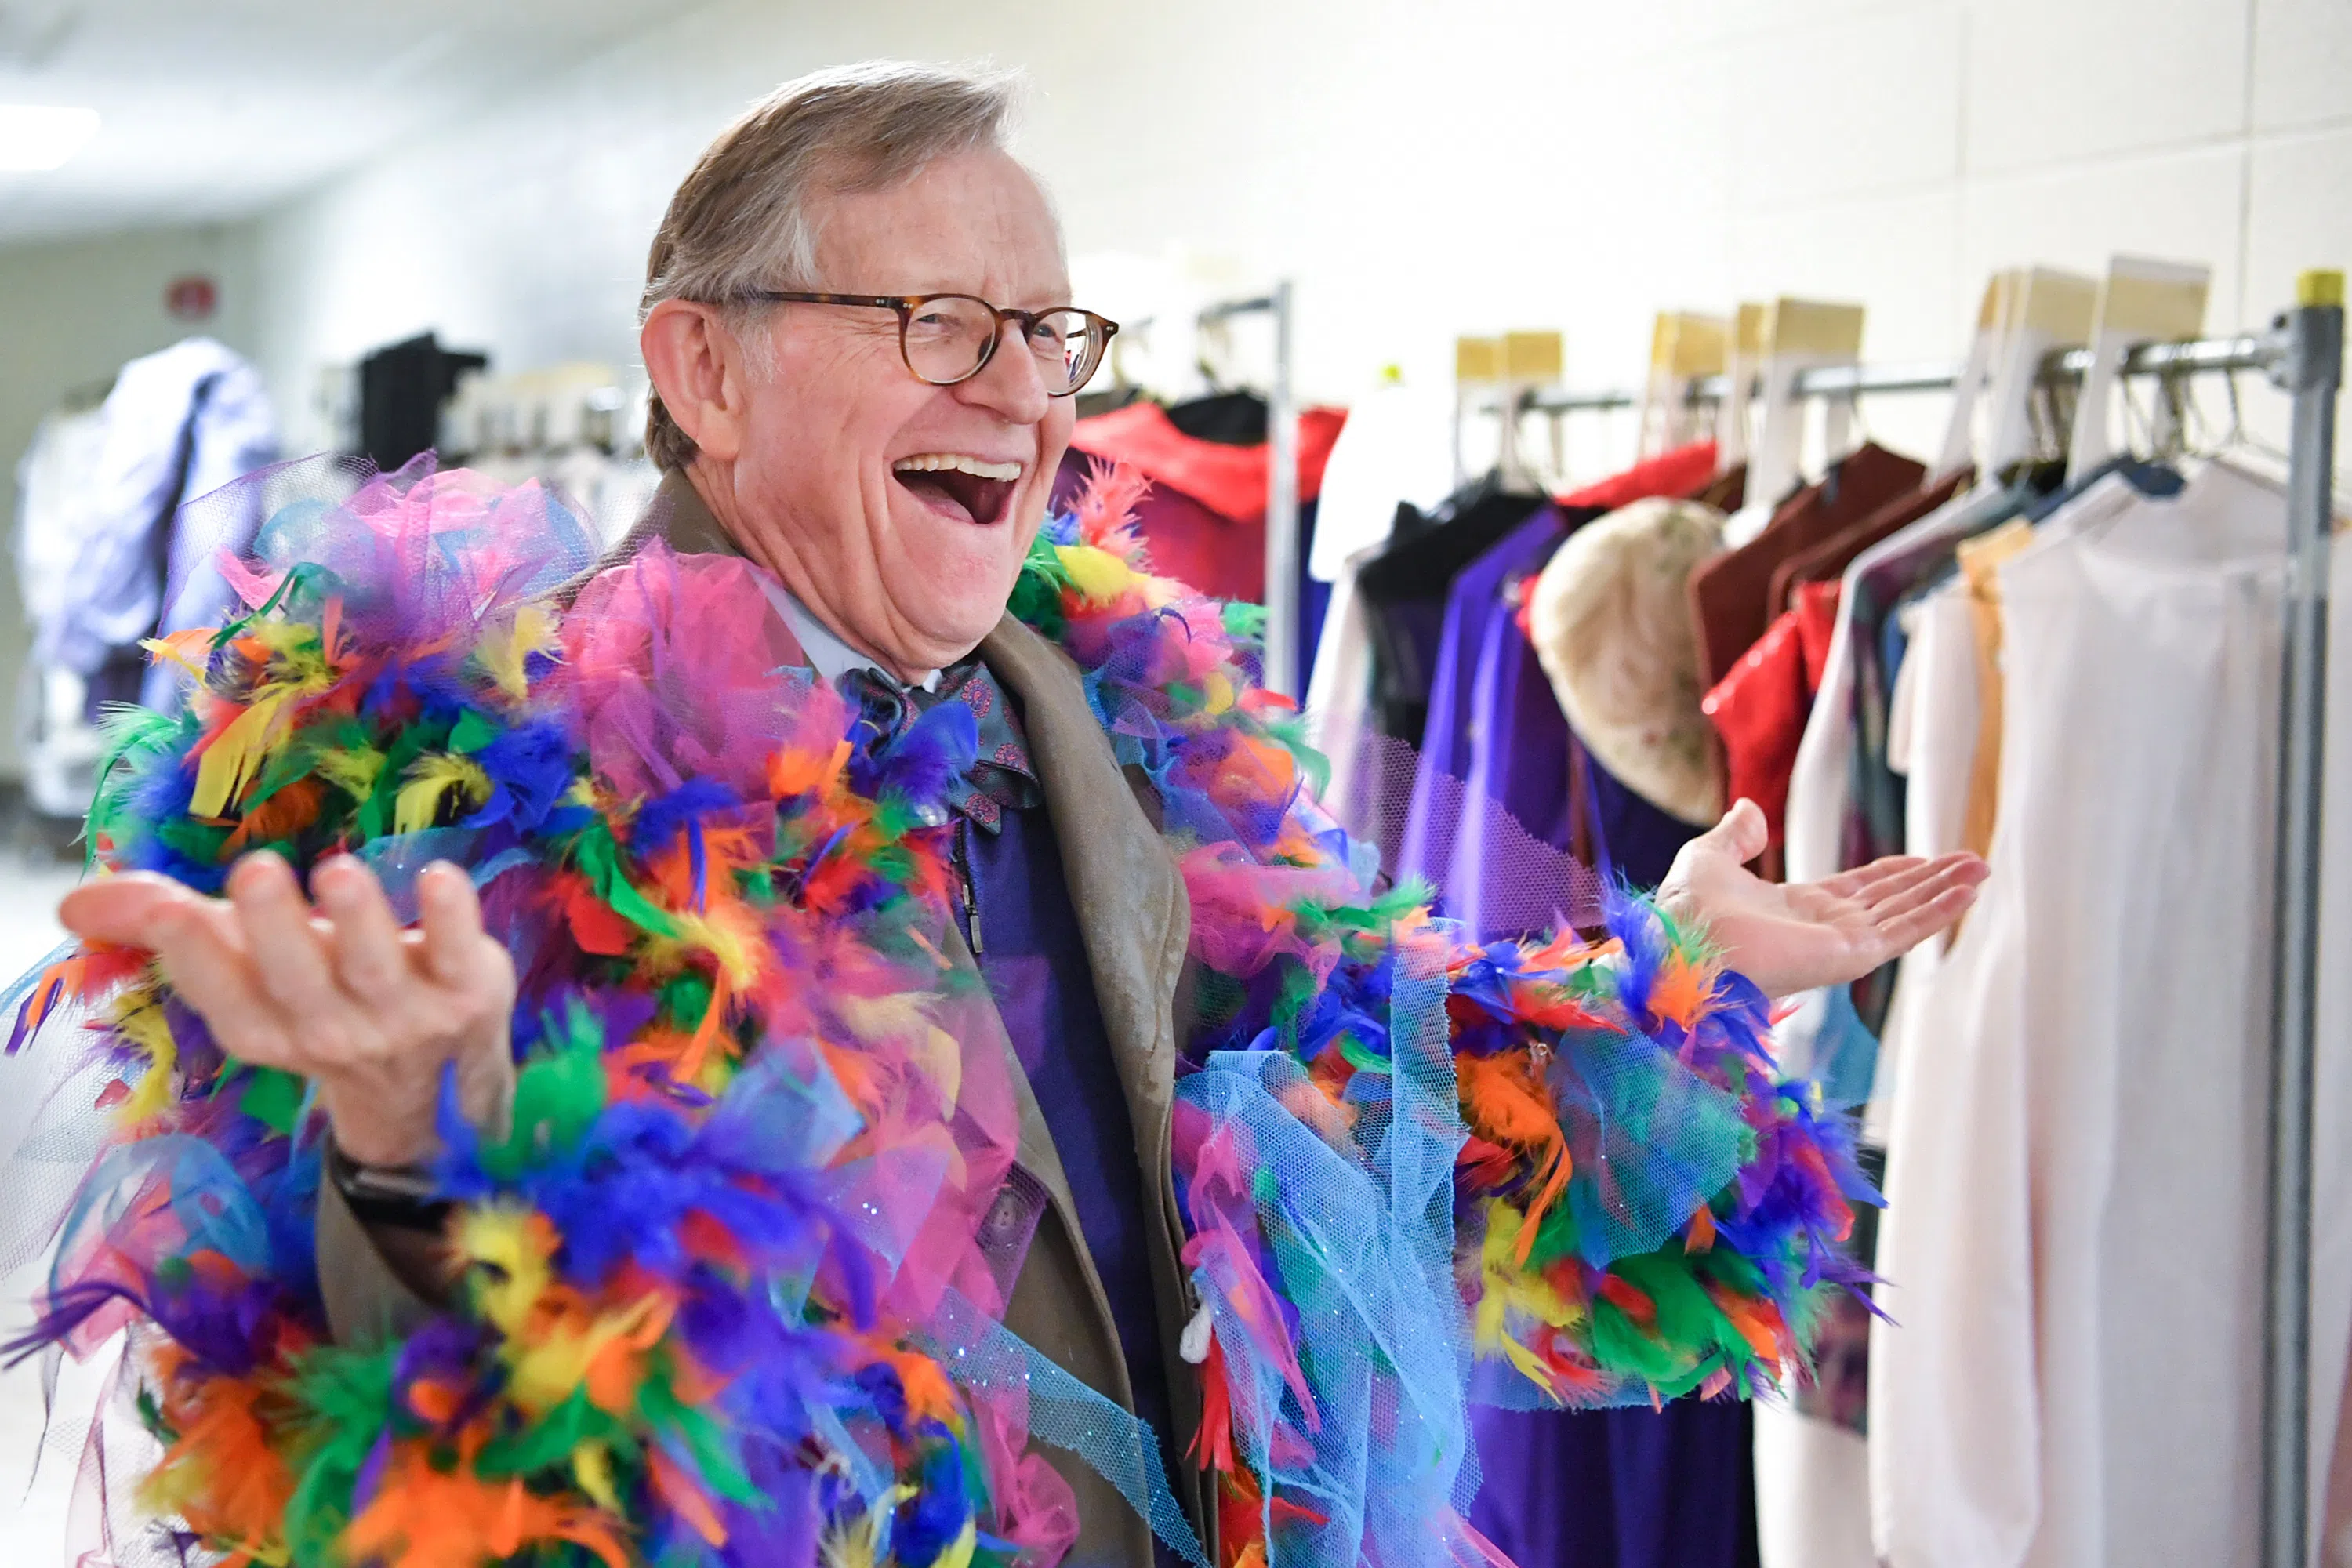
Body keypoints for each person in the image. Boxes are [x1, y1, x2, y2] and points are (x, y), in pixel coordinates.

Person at [48, 61, 1985, 1567]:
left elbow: (1351, 1115)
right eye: (942, 323)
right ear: (701, 366)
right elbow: (338, 1452)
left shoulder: (1113, 710)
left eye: (1053, 334)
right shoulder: (446, 787)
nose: (1026, 397)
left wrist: (1666, 976)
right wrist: (409, 1156)